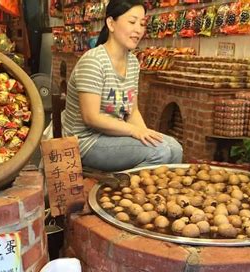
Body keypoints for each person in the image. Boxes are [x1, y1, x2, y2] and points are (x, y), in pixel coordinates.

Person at [61, 0, 183, 172]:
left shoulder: (133, 62)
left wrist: (145, 134)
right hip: (85, 142)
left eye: (142, 24)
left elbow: (132, 112)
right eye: (132, 22)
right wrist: (134, 132)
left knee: (175, 148)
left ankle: (157, 196)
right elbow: (92, 117)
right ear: (111, 23)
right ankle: (126, 192)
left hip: (114, 136)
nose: (138, 30)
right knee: (160, 151)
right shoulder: (93, 61)